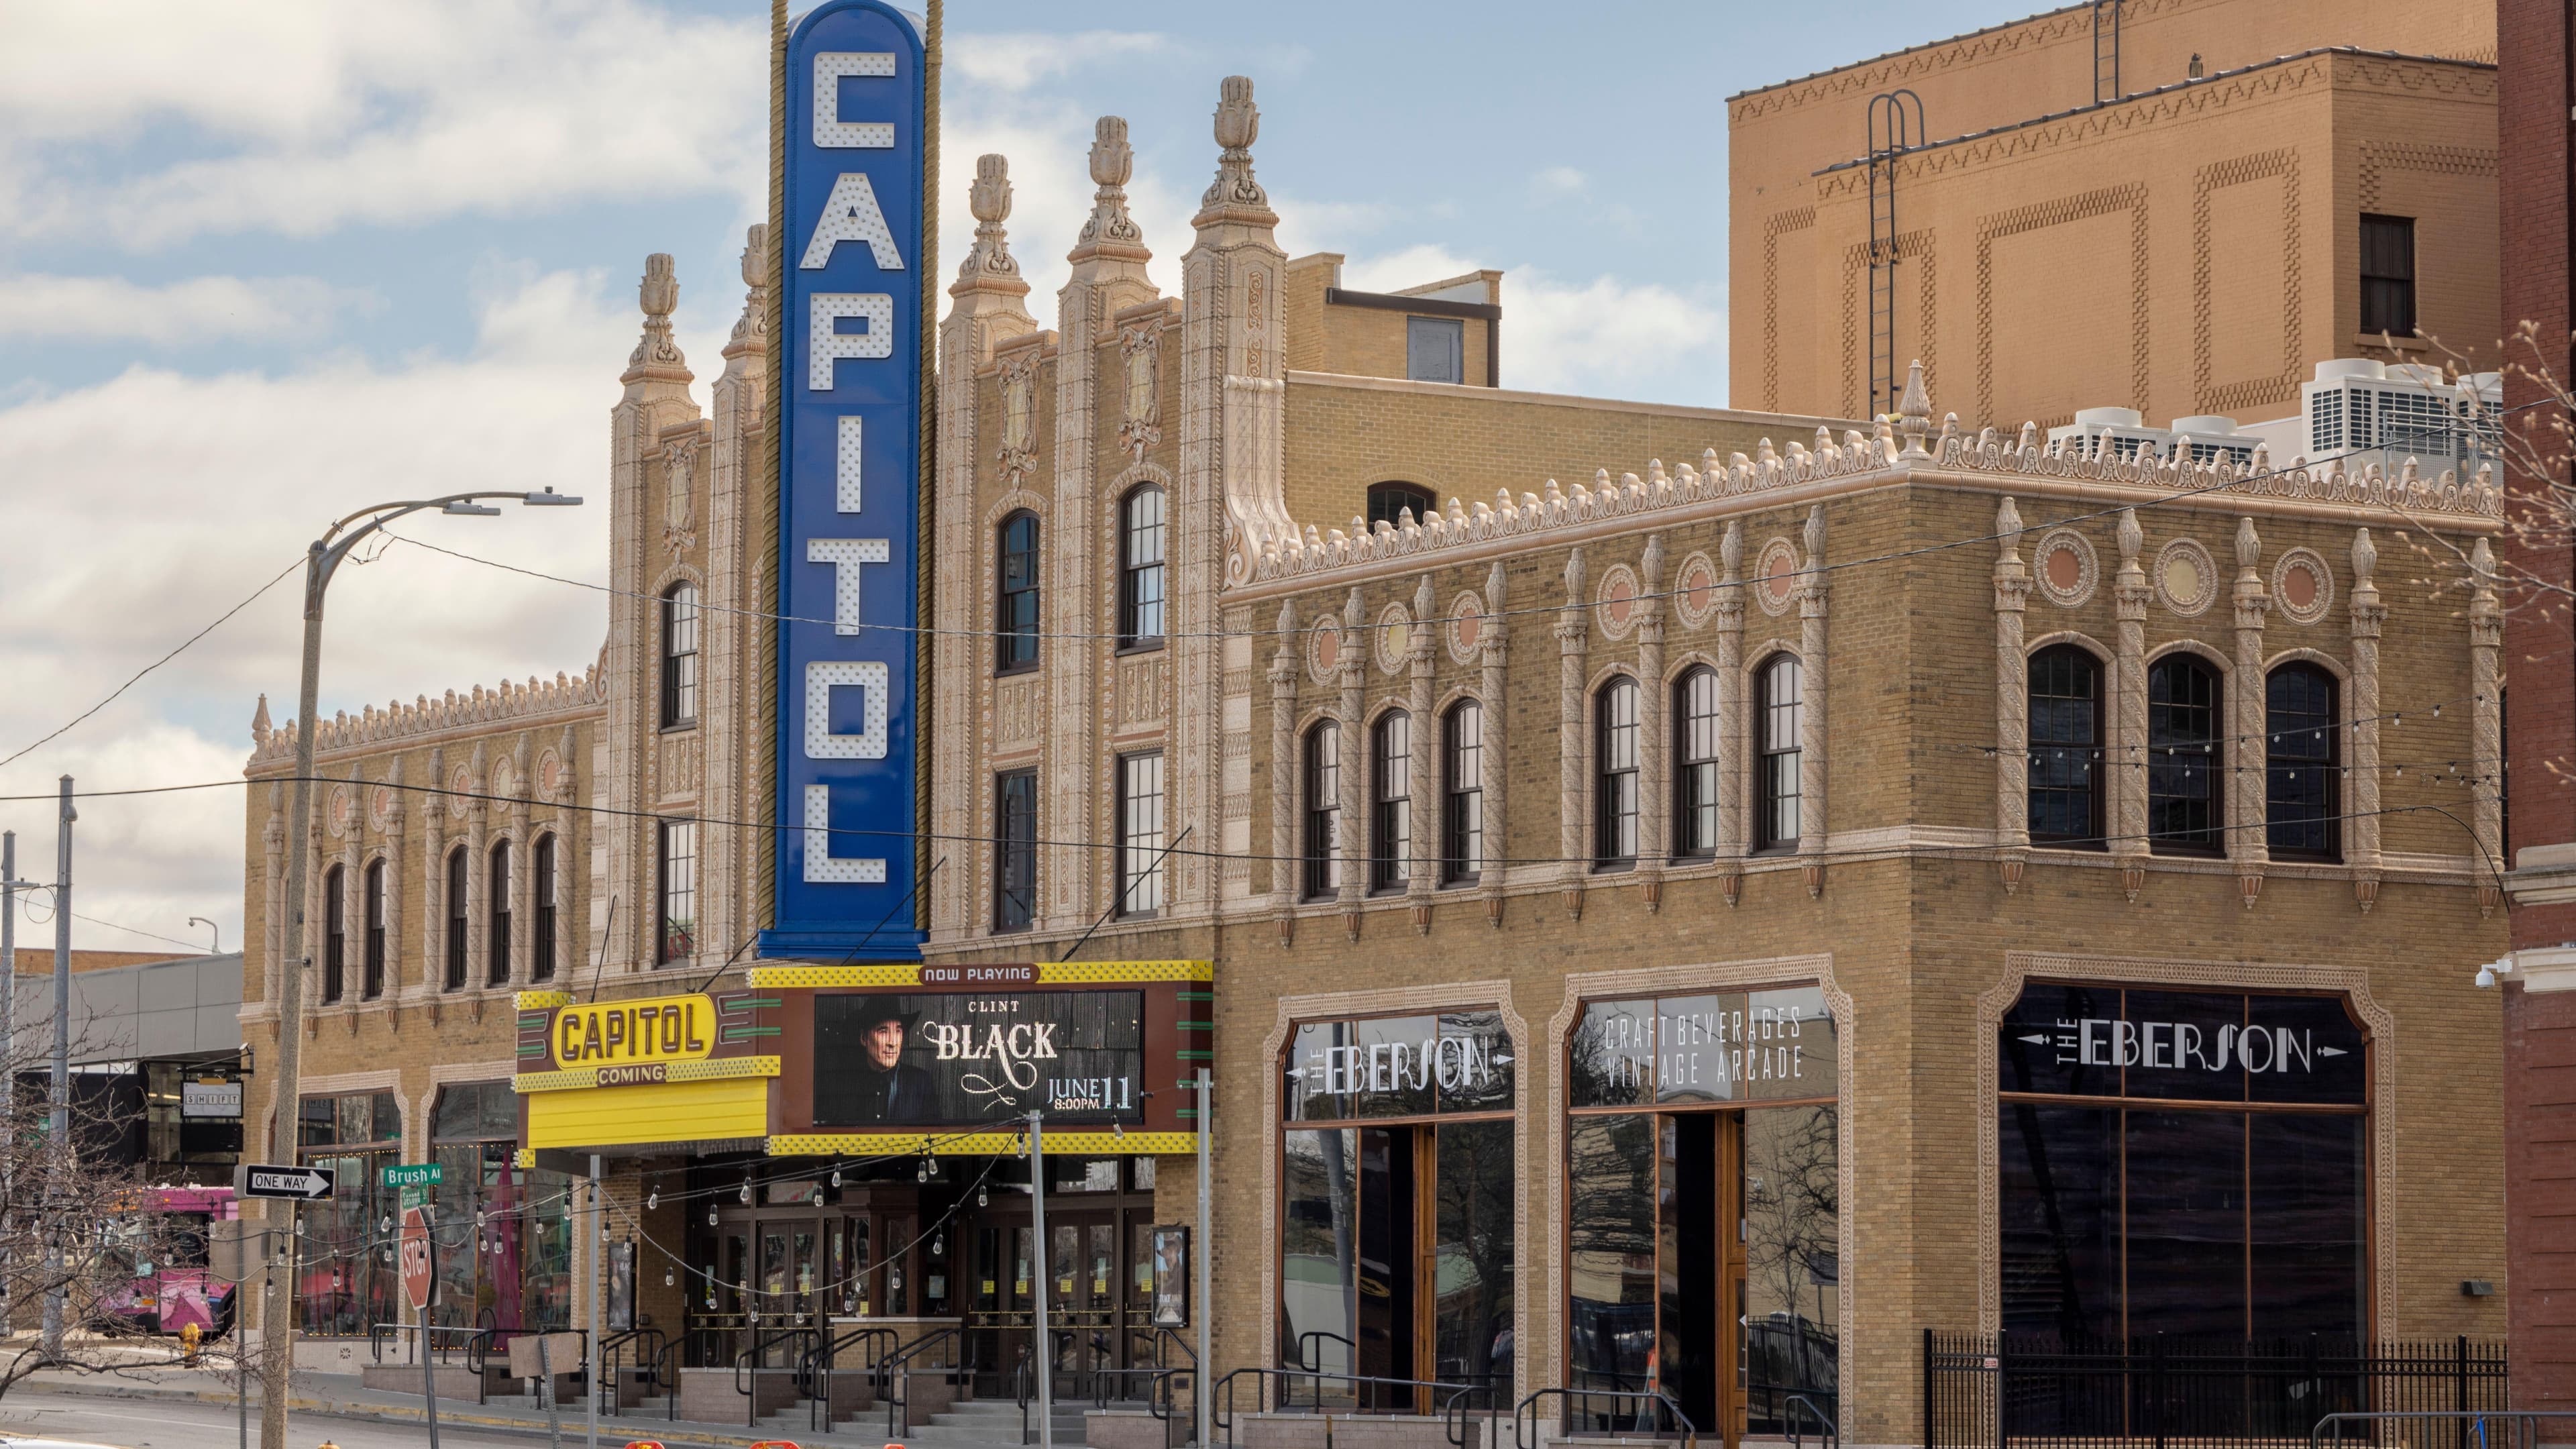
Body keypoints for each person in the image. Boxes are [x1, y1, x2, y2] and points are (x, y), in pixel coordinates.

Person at [835, 996, 935, 1123]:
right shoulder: (844, 1085)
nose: (893, 1043)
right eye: (883, 1031)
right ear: (864, 1038)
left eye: (898, 1031)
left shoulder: (921, 1082)